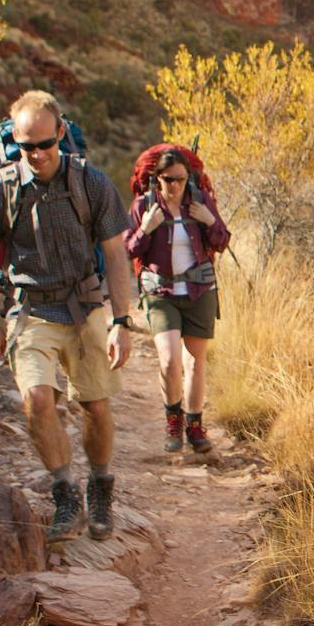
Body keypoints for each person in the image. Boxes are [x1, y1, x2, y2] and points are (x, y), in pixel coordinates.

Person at [0, 91, 138, 543]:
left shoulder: (92, 183)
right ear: (15, 142)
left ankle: (100, 485)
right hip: (30, 308)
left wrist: (121, 321)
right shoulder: (0, 190)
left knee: (95, 406)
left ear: (61, 133)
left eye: (45, 143)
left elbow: (115, 255)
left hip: (85, 306)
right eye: (27, 147)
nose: (38, 155)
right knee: (38, 400)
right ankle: (65, 490)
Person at [124, 145, 228, 454]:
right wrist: (146, 229)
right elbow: (128, 250)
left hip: (199, 290)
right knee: (169, 360)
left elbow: (222, 241)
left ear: (189, 179)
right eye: (168, 180)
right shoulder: (144, 206)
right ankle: (173, 420)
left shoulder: (199, 201)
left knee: (195, 363)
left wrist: (209, 220)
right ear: (157, 179)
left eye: (181, 180)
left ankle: (195, 427)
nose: (175, 186)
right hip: (161, 293)